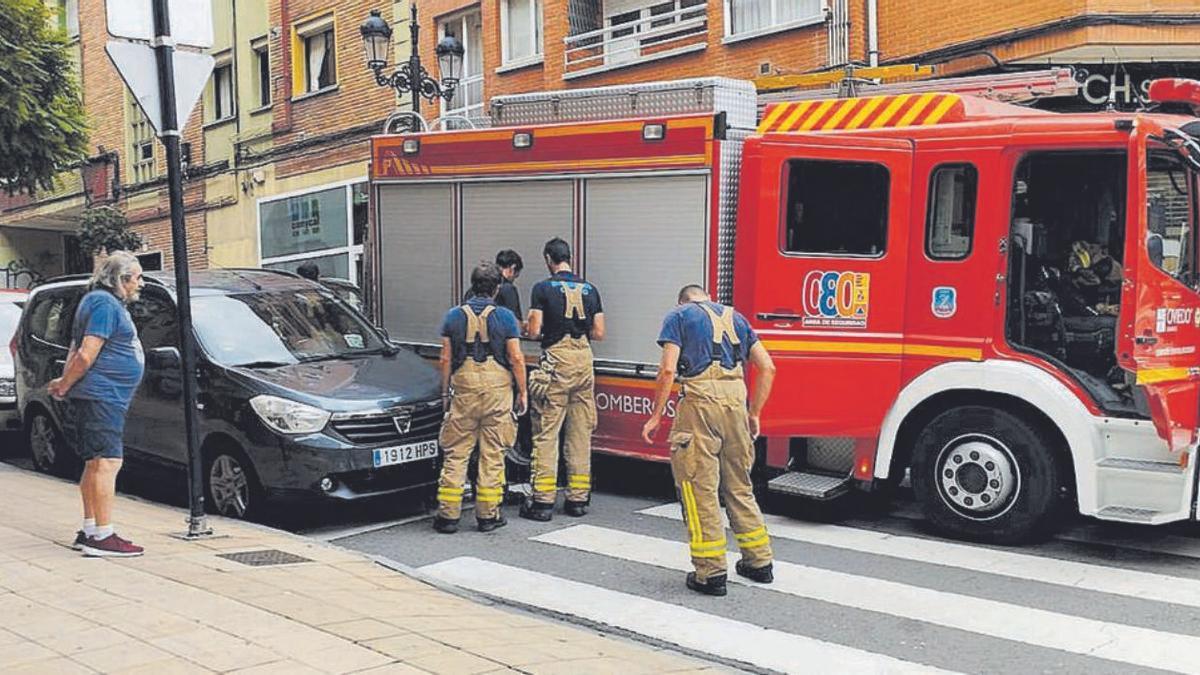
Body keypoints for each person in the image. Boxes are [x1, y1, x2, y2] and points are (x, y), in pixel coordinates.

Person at [641, 285, 777, 596]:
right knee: (740, 486)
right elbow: (768, 367)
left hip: (700, 405)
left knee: (698, 489)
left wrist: (655, 415)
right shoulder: (737, 318)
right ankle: (759, 562)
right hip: (736, 405)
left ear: (682, 301)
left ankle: (710, 572)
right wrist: (754, 412)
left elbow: (667, 369)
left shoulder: (678, 316)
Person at [47, 251, 147, 557]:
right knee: (107, 463)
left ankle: (90, 529)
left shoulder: (94, 301)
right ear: (122, 279)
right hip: (103, 395)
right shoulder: (104, 304)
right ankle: (103, 536)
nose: (141, 283)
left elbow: (76, 347)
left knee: (95, 463)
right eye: (138, 277)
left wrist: (65, 384)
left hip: (99, 394)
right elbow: (87, 353)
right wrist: (65, 384)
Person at [435, 262, 528, 533]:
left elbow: (445, 358)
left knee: (456, 452)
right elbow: (516, 357)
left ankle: (448, 516)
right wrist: (522, 392)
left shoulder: (453, 316)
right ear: (497, 288)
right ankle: (488, 516)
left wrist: (445, 393)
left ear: (472, 286)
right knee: (493, 454)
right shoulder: (506, 317)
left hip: (464, 389)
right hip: (497, 389)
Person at [520, 237, 604, 521]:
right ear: (570, 257)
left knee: (547, 432)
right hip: (584, 361)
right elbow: (599, 332)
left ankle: (543, 502)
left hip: (556, 361)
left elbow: (533, 330)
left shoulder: (542, 288)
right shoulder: (591, 289)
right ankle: (578, 499)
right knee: (580, 434)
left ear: (548, 258)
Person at [462, 250, 524, 329]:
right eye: (516, 276)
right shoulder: (508, 289)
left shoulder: (472, 289)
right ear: (512, 268)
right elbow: (516, 326)